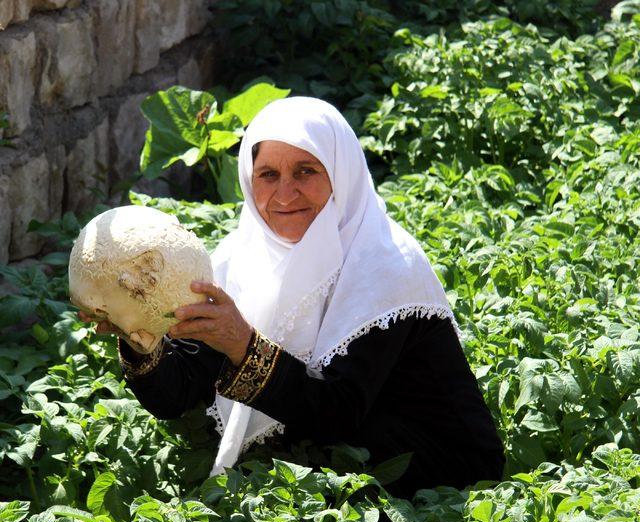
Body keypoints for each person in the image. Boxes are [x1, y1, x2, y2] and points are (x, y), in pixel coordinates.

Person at [83, 97, 504, 498]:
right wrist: (141, 335)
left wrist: (243, 346)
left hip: (437, 474)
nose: (284, 195)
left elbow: (339, 414)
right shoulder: (237, 259)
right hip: (329, 467)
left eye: (305, 171)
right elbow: (177, 396)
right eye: (268, 175)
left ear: (340, 174)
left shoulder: (387, 266)